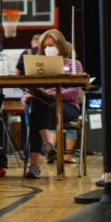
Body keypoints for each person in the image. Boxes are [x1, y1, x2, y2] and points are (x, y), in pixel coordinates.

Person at [21, 29, 83, 179]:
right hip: (44, 108)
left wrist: (53, 95)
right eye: (46, 45)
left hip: (66, 107)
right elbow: (25, 92)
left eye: (52, 44)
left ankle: (35, 166)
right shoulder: (37, 66)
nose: (49, 48)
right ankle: (48, 145)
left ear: (60, 45)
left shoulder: (74, 64)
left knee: (38, 111)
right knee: (38, 105)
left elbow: (76, 91)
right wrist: (26, 98)